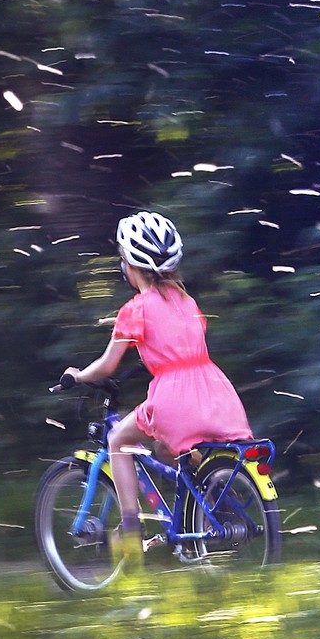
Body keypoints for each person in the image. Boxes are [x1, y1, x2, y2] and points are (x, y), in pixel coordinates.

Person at [63, 212, 254, 559]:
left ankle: (132, 530)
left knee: (118, 439)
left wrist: (78, 375)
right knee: (175, 452)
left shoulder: (135, 310)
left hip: (174, 397)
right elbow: (180, 348)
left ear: (130, 266)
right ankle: (204, 515)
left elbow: (107, 364)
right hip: (214, 390)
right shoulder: (187, 301)